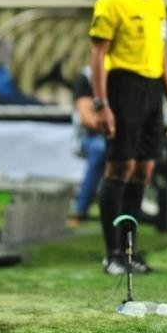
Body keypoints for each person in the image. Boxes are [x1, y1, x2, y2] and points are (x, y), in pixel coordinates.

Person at [88, 0, 167, 276]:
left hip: (151, 90)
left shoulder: (156, 1)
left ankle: (130, 250)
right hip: (122, 87)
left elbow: (161, 56)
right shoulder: (111, 0)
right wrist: (101, 104)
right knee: (120, 168)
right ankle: (111, 253)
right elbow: (97, 56)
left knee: (144, 169)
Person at [68, 67, 106, 226]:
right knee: (100, 149)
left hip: (117, 135)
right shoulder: (87, 77)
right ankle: (80, 209)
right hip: (90, 136)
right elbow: (86, 117)